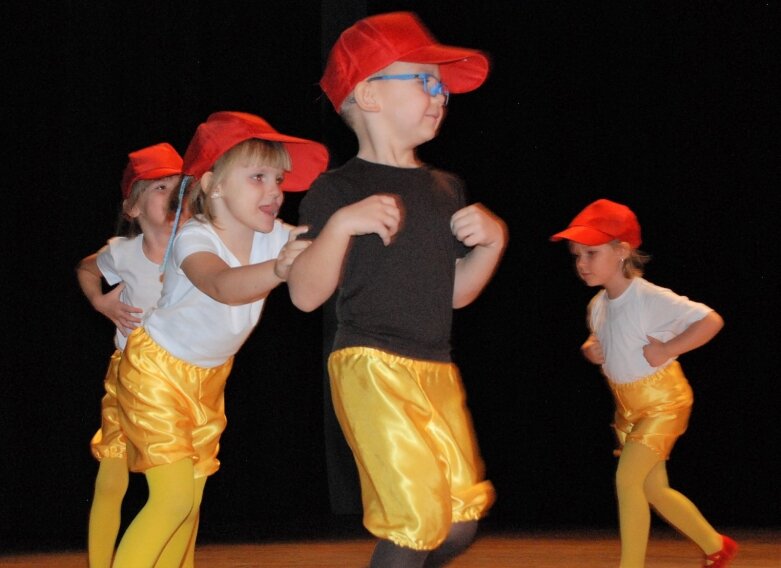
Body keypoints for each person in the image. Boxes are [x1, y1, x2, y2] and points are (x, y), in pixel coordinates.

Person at [287, 12, 507, 568]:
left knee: (459, 521)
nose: (440, 96)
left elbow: (454, 293)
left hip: (435, 365)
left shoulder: (445, 187)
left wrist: (492, 246)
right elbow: (305, 296)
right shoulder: (335, 191)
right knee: (414, 523)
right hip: (371, 364)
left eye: (443, 88)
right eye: (425, 81)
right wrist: (340, 227)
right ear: (368, 93)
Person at [110, 111, 328, 568]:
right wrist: (279, 269)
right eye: (258, 177)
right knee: (171, 501)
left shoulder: (276, 237)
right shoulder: (194, 236)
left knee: (189, 505)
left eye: (279, 178)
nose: (274, 191)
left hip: (207, 380)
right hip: (156, 372)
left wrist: (353, 224)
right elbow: (223, 286)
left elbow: (330, 245)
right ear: (213, 184)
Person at [550, 199, 738, 568]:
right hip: (629, 406)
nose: (581, 264)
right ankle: (716, 545)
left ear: (622, 251)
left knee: (626, 481)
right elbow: (603, 339)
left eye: (591, 253)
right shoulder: (598, 305)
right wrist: (591, 348)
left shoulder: (649, 298)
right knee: (654, 488)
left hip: (663, 401)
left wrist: (669, 347)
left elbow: (711, 321)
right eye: (576, 256)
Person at [76, 142, 184, 568]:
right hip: (131, 376)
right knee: (112, 477)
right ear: (133, 208)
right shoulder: (122, 252)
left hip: (182, 379)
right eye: (160, 188)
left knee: (184, 484)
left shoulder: (197, 248)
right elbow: (86, 268)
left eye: (180, 187)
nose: (173, 196)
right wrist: (101, 302)